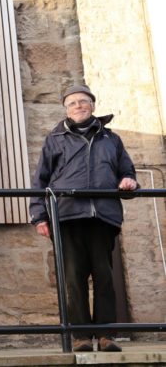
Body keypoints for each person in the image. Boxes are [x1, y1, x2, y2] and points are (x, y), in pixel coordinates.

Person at [30, 84, 138, 352]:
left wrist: (128, 181)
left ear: (92, 105)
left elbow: (127, 171)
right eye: (72, 103)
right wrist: (38, 215)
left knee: (104, 276)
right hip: (68, 215)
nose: (78, 106)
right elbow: (40, 180)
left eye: (83, 102)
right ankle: (80, 337)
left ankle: (105, 335)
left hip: (103, 215)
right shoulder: (55, 138)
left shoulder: (111, 139)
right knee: (73, 277)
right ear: (66, 109)